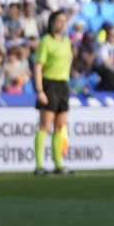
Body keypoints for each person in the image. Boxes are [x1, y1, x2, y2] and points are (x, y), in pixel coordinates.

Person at [33, 9, 74, 175]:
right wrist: (39, 90)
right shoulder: (46, 41)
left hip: (63, 84)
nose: (63, 24)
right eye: (59, 21)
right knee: (44, 125)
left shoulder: (66, 42)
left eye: (65, 21)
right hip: (49, 84)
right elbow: (38, 66)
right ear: (52, 23)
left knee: (60, 125)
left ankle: (58, 164)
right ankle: (39, 165)